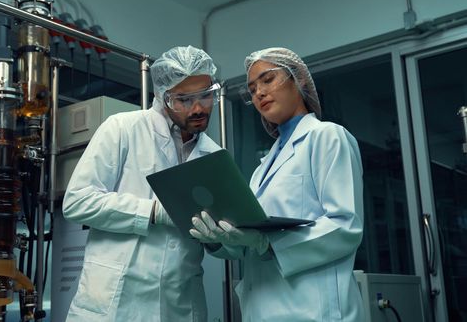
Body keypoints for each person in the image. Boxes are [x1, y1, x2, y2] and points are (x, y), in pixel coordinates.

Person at [190, 47, 364, 321]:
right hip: (262, 308)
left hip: (315, 310)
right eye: (252, 88)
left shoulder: (327, 137)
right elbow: (249, 243)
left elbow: (345, 227)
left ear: (299, 80)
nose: (258, 92)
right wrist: (218, 239)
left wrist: (267, 244)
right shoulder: (264, 166)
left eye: (268, 79)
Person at [62, 45, 222, 321]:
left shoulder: (215, 156)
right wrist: (153, 212)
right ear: (162, 96)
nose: (198, 108)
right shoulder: (123, 128)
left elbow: (219, 240)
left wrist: (221, 238)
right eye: (183, 100)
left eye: (206, 96)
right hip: (116, 302)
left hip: (180, 304)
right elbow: (77, 201)